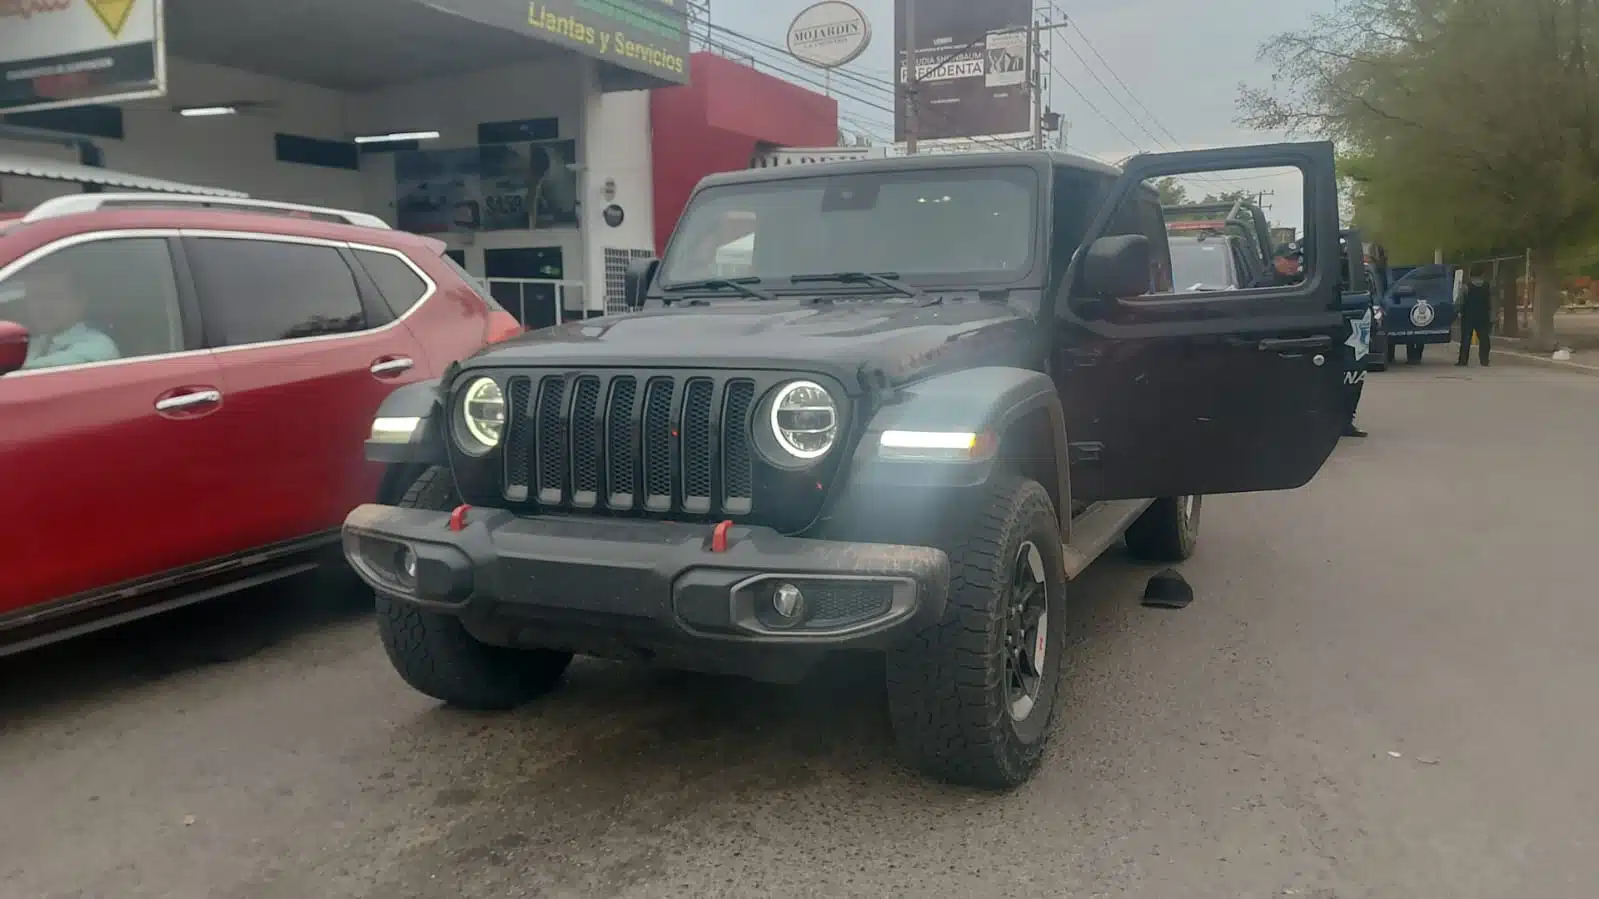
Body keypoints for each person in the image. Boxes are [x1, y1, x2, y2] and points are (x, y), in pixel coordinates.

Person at [20, 269, 119, 371]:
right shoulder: (36, 343)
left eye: (54, 296)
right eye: (35, 297)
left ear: (79, 301)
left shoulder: (99, 346)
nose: (43, 306)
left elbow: (30, 372)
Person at [1457, 266, 1493, 366]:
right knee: (1484, 339)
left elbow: (1459, 302)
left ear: (1470, 275)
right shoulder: (1487, 286)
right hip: (1483, 316)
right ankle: (1484, 360)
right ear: (1482, 275)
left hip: (1468, 317)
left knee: (1465, 339)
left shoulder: (1466, 287)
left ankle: (1463, 361)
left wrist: (1458, 311)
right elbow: (1490, 302)